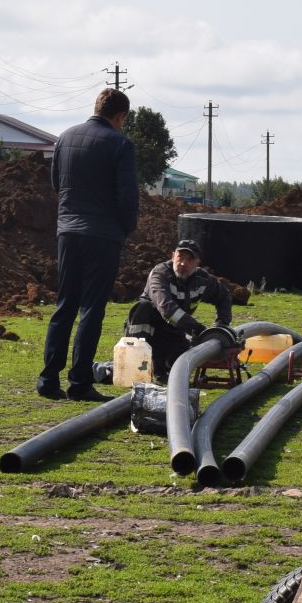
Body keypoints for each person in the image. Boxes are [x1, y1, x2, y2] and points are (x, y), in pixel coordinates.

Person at [40, 88, 139, 401]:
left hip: (68, 232)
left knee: (65, 304)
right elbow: (128, 196)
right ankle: (80, 382)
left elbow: (57, 183)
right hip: (103, 235)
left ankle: (48, 380)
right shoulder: (120, 144)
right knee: (91, 308)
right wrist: (126, 228)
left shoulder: (65, 138)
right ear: (120, 116)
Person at [124, 239, 234, 382]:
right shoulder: (160, 274)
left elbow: (224, 296)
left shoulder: (202, 280)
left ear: (197, 263)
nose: (183, 263)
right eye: (180, 257)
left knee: (179, 366)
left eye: (189, 259)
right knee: (143, 307)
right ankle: (134, 365)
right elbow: (167, 310)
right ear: (173, 255)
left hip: (175, 333)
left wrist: (221, 326)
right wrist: (200, 330)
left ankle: (162, 367)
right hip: (150, 333)